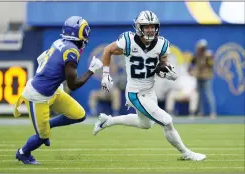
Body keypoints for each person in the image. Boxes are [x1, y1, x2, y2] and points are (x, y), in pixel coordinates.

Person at [93, 10, 206, 161]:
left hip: (150, 91)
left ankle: (108, 121)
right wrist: (105, 74)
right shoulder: (128, 40)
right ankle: (186, 153)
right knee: (167, 121)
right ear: (139, 27)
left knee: (145, 124)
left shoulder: (161, 44)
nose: (150, 29)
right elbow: (108, 50)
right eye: (146, 26)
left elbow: (163, 65)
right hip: (135, 92)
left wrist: (167, 71)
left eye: (153, 26)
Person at [13, 16, 103, 164]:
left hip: (53, 91)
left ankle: (47, 124)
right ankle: (23, 153)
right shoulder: (71, 51)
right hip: (38, 96)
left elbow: (41, 59)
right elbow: (73, 85)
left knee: (79, 115)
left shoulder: (59, 42)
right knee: (42, 137)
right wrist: (91, 70)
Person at [189, 39, 216, 119]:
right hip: (199, 77)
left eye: (202, 47)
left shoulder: (208, 55)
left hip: (207, 77)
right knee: (199, 95)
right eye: (199, 47)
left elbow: (211, 65)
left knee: (208, 94)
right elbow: (191, 64)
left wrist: (210, 57)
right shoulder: (196, 55)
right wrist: (192, 71)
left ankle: (213, 112)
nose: (200, 49)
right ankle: (201, 112)